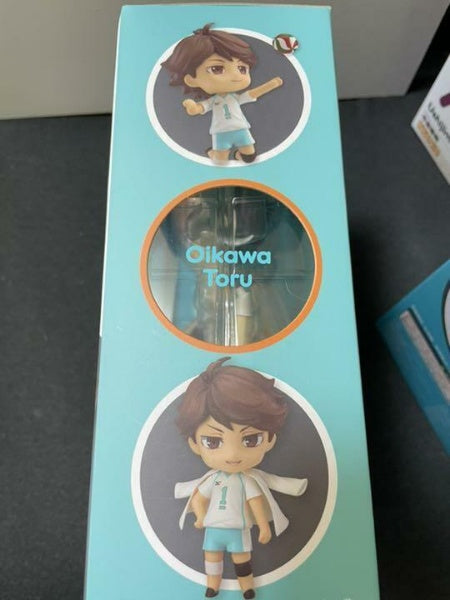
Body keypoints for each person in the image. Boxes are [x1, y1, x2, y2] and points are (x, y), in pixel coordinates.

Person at [174, 357, 308, 598]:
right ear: (194, 444)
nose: (233, 454)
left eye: (250, 439)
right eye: (213, 441)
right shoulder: (212, 480)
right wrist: (201, 517)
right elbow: (198, 498)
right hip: (213, 529)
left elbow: (255, 502)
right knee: (211, 558)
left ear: (270, 439)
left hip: (238, 529)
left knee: (242, 561)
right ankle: (212, 585)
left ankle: (247, 586)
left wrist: (264, 527)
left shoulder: (247, 481)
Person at [161, 24, 283, 163]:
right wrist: (193, 108)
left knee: (249, 157)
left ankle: (237, 155)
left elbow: (253, 94)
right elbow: (201, 107)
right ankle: (211, 152)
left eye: (242, 68)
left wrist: (271, 85)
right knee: (220, 161)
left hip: (241, 129)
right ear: (191, 80)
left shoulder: (235, 98)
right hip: (220, 133)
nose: (236, 76)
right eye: (217, 69)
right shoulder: (213, 101)